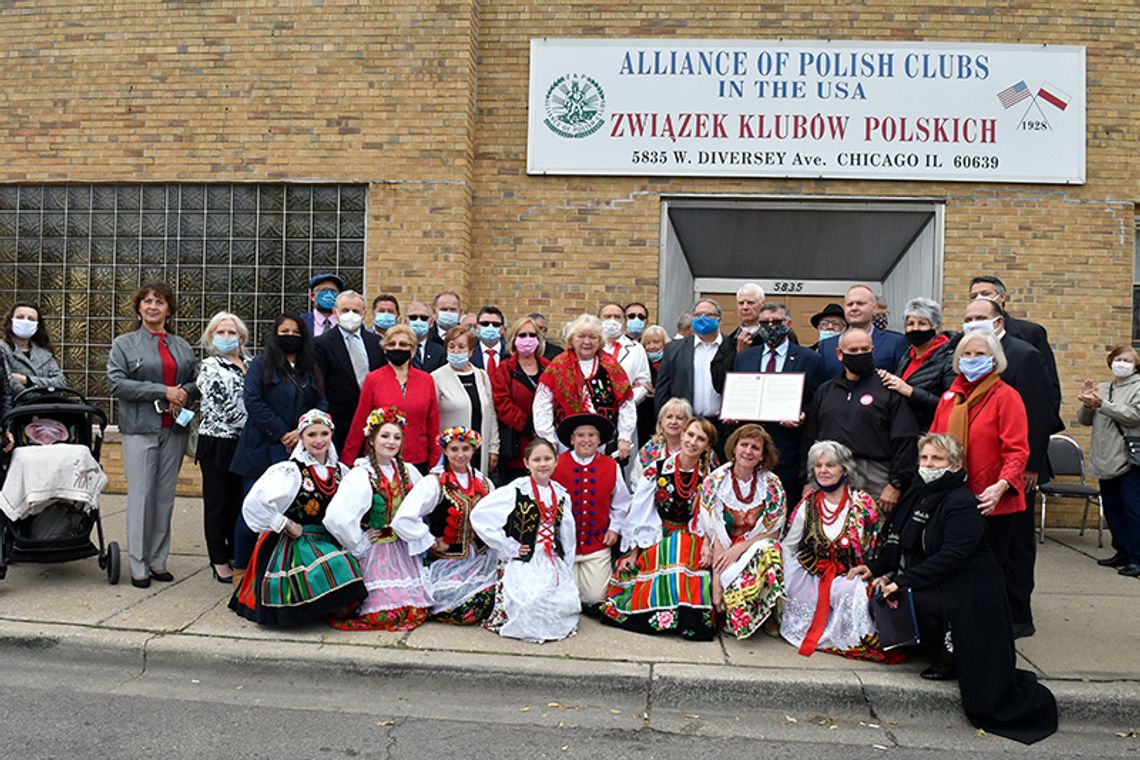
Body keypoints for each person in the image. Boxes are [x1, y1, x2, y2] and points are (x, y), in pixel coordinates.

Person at [855, 434, 1058, 744]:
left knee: (914, 601)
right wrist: (876, 568)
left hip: (970, 589)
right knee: (887, 596)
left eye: (936, 459)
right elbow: (897, 542)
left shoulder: (961, 501)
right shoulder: (917, 494)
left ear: (955, 465)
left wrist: (902, 581)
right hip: (940, 579)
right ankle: (928, 646)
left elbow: (952, 557)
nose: (928, 465)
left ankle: (948, 658)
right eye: (924, 459)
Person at [961, 297, 1055, 637]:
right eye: (968, 317)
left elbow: (1039, 413)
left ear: (999, 321)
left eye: (981, 317)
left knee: (1015, 548)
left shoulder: (1022, 355)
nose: (973, 323)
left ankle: (1017, 615)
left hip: (1013, 475)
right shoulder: (963, 370)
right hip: (974, 480)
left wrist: (1028, 468)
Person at [230, 410, 367, 627]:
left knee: (350, 586)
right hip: (297, 541)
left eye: (324, 434)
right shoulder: (290, 471)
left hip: (331, 538)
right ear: (301, 438)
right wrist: (284, 523)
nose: (319, 440)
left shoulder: (342, 471)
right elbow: (254, 504)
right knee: (337, 565)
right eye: (312, 435)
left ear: (332, 435)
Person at [106, 282, 199, 589]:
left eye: (159, 302)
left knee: (164, 498)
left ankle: (158, 560)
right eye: (147, 301)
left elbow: (197, 380)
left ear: (168, 309)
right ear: (139, 308)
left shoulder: (181, 345)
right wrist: (163, 391)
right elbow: (117, 383)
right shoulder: (125, 343)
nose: (152, 306)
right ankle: (138, 564)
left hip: (173, 429)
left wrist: (184, 392)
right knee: (141, 496)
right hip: (140, 428)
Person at [598, 418, 719, 640]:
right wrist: (633, 551)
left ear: (707, 446)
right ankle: (665, 615)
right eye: (690, 435)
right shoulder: (657, 469)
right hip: (655, 534)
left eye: (700, 439)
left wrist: (706, 544)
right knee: (673, 551)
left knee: (684, 549)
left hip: (691, 536)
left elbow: (709, 518)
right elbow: (639, 512)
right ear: (682, 435)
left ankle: (684, 619)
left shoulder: (709, 478)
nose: (693, 442)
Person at [229, 314, 326, 583]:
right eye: (284, 330)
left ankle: (281, 569)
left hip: (298, 451)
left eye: (295, 331)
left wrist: (302, 431)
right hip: (261, 449)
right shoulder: (261, 364)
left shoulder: (310, 367)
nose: (290, 335)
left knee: (291, 512)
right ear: (275, 334)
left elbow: (322, 402)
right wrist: (282, 430)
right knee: (254, 507)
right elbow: (253, 401)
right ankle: (241, 567)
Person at [930, 330, 1030, 583]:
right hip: (951, 498)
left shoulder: (1006, 396)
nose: (972, 359)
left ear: (994, 360)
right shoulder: (949, 398)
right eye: (967, 354)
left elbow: (1017, 451)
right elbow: (933, 443)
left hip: (990, 501)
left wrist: (1001, 486)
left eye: (980, 354)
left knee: (987, 573)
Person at [780, 440, 893, 661]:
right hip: (810, 574)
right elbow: (788, 545)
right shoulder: (808, 504)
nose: (823, 470)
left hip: (849, 574)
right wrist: (784, 581)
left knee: (853, 593)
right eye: (818, 465)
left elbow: (879, 545)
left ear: (845, 469)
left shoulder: (863, 504)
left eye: (830, 465)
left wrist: (876, 572)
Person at [323, 406, 432, 630]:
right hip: (376, 551)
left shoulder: (409, 471)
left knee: (415, 609)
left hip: (402, 549)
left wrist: (414, 532)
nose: (391, 441)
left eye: (397, 437)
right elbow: (336, 516)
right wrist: (358, 540)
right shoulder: (362, 474)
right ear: (372, 440)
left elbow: (424, 503)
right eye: (385, 436)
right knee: (385, 612)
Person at [472, 438, 581, 643]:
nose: (542, 464)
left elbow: (568, 533)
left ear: (556, 462)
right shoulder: (516, 490)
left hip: (549, 559)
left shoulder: (560, 494)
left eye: (547, 458)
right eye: (537, 459)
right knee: (528, 601)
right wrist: (507, 545)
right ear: (526, 463)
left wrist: (567, 564)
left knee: (562, 602)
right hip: (522, 561)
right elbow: (480, 515)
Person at [802, 328, 919, 512]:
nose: (860, 354)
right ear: (840, 354)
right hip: (830, 472)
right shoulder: (826, 391)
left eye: (865, 350)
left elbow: (904, 438)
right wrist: (808, 480)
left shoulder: (889, 388)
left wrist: (896, 483)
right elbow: (810, 436)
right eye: (854, 351)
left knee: (873, 532)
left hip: (874, 476)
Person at [392, 426, 498, 624]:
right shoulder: (434, 483)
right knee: (466, 610)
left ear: (473, 450)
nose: (460, 454)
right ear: (445, 451)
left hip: (481, 560)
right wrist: (429, 541)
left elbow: (496, 517)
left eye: (465, 449)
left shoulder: (484, 483)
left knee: (494, 597)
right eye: (454, 449)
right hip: (447, 563)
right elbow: (403, 519)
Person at [699, 424, 787, 639]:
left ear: (762, 455)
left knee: (770, 549)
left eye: (755, 447)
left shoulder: (772, 484)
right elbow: (715, 534)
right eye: (744, 445)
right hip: (723, 549)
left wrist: (741, 547)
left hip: (753, 546)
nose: (748, 451)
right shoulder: (716, 481)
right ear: (734, 448)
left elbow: (773, 532)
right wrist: (717, 583)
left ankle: (768, 615)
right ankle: (736, 610)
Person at [730, 302, 826, 497]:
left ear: (788, 324)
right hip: (751, 445)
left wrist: (803, 414)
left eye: (776, 321)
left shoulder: (810, 359)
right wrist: (731, 411)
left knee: (783, 501)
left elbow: (816, 399)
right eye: (764, 322)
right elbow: (737, 392)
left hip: (788, 446)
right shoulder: (745, 357)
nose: (771, 326)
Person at [551, 413, 639, 605]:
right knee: (568, 597)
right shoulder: (556, 465)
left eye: (592, 435)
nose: (586, 440)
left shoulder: (611, 466)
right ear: (572, 439)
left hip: (597, 544)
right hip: (565, 547)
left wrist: (614, 529)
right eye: (581, 435)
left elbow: (621, 504)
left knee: (595, 598)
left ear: (599, 440)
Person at [195, 312, 250, 584]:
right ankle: (218, 559)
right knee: (217, 503)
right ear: (211, 336)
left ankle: (234, 552)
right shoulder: (209, 366)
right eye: (221, 332)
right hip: (218, 442)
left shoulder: (251, 364)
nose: (227, 337)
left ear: (241, 337)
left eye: (232, 333)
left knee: (238, 502)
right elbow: (221, 404)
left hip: (246, 444)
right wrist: (253, 427)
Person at [533, 314, 635, 459]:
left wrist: (624, 436)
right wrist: (548, 439)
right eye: (581, 336)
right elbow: (542, 404)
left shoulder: (611, 366)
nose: (587, 341)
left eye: (593, 337)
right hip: (564, 442)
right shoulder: (558, 365)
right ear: (571, 339)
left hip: (602, 442)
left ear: (599, 340)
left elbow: (626, 402)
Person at [969, 275, 1062, 433]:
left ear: (1002, 297)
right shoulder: (966, 337)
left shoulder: (1030, 333)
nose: (979, 299)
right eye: (973, 296)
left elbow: (1049, 386)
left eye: (985, 294)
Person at [1078, 346, 1140, 576]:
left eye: (1127, 360)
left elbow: (1134, 416)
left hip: (1129, 459)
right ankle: (1122, 550)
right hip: (1105, 458)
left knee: (1133, 509)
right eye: (1118, 359)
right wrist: (1087, 403)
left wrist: (1102, 404)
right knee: (1113, 509)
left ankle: (1137, 557)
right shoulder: (1104, 388)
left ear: (1135, 366)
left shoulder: (1138, 387)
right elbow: (1085, 420)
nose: (1122, 363)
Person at [345, 325, 441, 472]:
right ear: (385, 349)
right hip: (381, 459)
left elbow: (433, 424)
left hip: (417, 459)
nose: (397, 348)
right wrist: (347, 463)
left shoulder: (426, 380)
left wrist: (435, 465)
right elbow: (360, 421)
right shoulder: (373, 379)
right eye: (391, 344)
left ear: (413, 350)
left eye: (403, 344)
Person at [314, 290, 386, 455]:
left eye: (356, 311)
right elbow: (319, 385)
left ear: (364, 314)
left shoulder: (376, 343)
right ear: (335, 312)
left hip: (372, 421)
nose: (351, 315)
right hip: (338, 423)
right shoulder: (321, 344)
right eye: (345, 310)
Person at [876, 297, 957, 430]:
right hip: (905, 430)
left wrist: (910, 391)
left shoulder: (949, 358)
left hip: (930, 434)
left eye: (922, 323)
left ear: (937, 327)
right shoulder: (908, 355)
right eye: (910, 324)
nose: (915, 328)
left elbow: (949, 406)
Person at [433, 326, 500, 476]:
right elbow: (432, 417)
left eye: (461, 347)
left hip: (479, 450)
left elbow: (491, 414)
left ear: (470, 351)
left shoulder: (481, 375)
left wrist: (493, 447)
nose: (456, 351)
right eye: (451, 347)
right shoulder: (436, 377)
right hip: (453, 452)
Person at [491, 316, 550, 482]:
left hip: (545, 442)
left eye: (532, 335)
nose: (528, 339)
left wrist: (544, 427)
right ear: (514, 339)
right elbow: (502, 403)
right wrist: (529, 425)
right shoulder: (504, 369)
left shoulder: (549, 367)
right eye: (522, 335)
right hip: (517, 445)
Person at [655, 299, 724, 424]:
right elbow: (662, 390)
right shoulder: (674, 349)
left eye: (708, 315)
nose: (702, 318)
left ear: (719, 320)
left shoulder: (731, 347)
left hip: (721, 424)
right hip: (685, 424)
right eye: (698, 315)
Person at [817, 285, 907, 377]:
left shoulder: (895, 343)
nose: (854, 308)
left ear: (874, 308)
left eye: (860, 303)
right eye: (849, 304)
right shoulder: (826, 346)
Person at [710, 282, 765, 395]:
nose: (745, 307)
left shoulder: (774, 337)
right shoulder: (729, 340)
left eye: (750, 303)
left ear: (762, 305)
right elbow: (718, 383)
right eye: (741, 303)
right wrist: (738, 354)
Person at [3, 302, 66, 396]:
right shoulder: (2, 349)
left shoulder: (44, 352)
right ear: (10, 321)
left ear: (37, 326)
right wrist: (41, 393)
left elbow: (61, 382)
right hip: (15, 408)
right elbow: (8, 384)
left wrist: (27, 380)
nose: (25, 321)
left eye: (31, 319)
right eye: (20, 317)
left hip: (45, 408)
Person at [636, 324, 669, 445]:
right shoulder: (641, 363)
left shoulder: (670, 363)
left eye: (656, 342)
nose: (651, 347)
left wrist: (658, 393)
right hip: (644, 417)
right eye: (647, 343)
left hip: (663, 416)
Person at [301, 273, 344, 338]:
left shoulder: (348, 324)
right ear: (312, 296)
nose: (328, 294)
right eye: (323, 290)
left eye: (333, 291)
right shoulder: (300, 323)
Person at [408, 300, 445, 372]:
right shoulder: (397, 347)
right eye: (413, 317)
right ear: (406, 321)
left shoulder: (440, 352)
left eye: (423, 318)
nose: (418, 321)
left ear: (431, 323)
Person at [470, 306, 508, 373]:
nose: (490, 327)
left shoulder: (510, 353)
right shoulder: (468, 352)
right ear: (477, 327)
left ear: (503, 329)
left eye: (495, 324)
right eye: (485, 324)